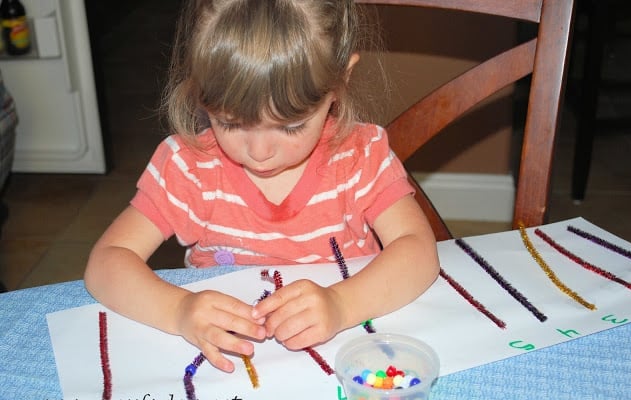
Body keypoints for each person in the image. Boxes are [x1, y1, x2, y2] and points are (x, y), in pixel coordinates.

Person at [85, 0, 439, 374]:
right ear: (198, 83)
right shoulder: (187, 168)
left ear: (341, 80)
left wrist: (342, 305)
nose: (259, 153)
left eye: (289, 126)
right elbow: (106, 263)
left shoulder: (360, 158)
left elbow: (418, 252)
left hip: (345, 360)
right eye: (230, 123)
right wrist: (178, 310)